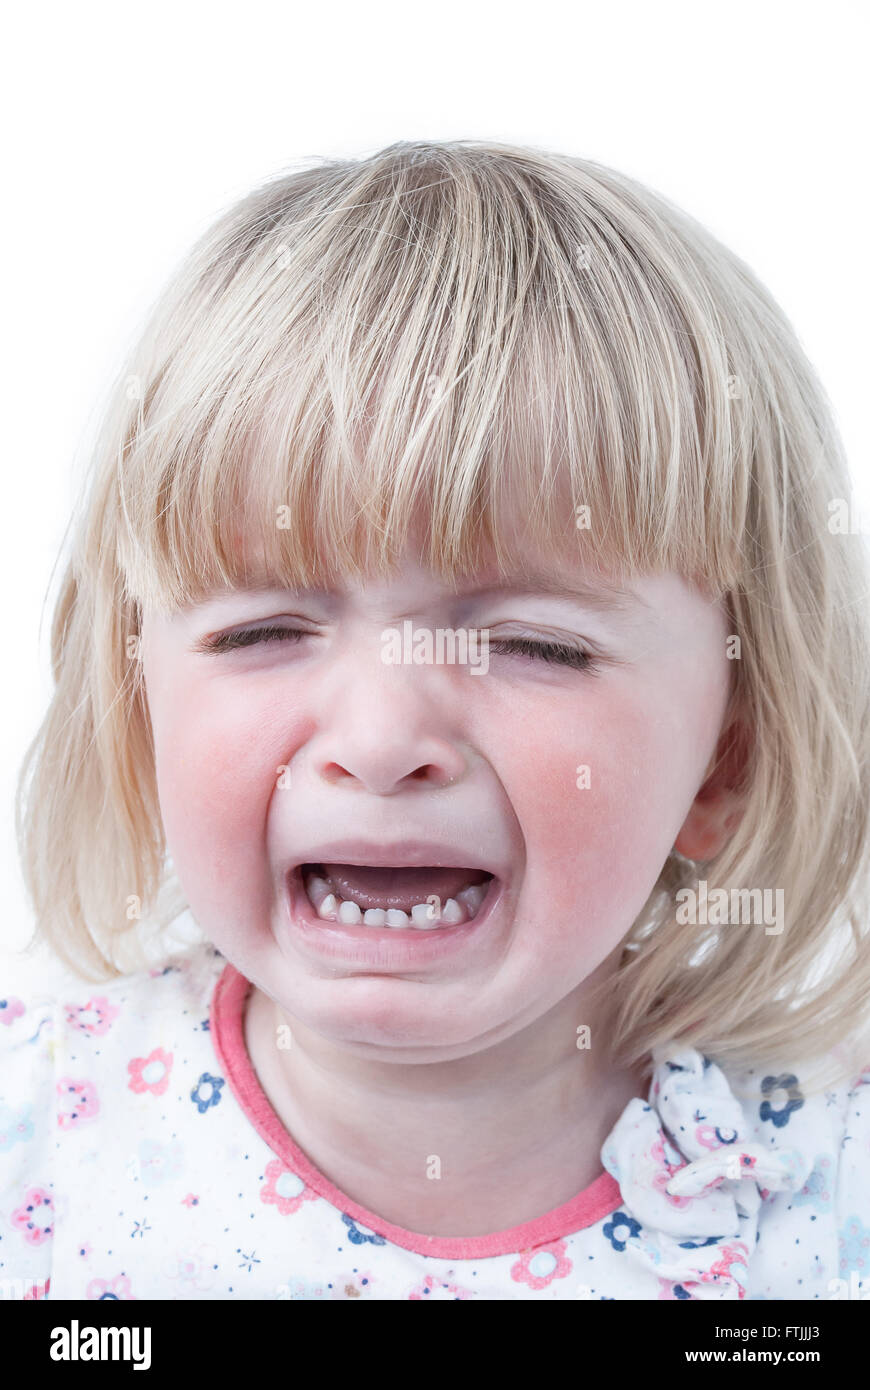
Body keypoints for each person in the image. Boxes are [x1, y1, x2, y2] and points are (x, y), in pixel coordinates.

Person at [4, 140, 869, 1301]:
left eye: (533, 645)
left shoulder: (819, 1191)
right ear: (135, 706)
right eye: (260, 632)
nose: (376, 737)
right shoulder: (38, 1141)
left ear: (729, 756)